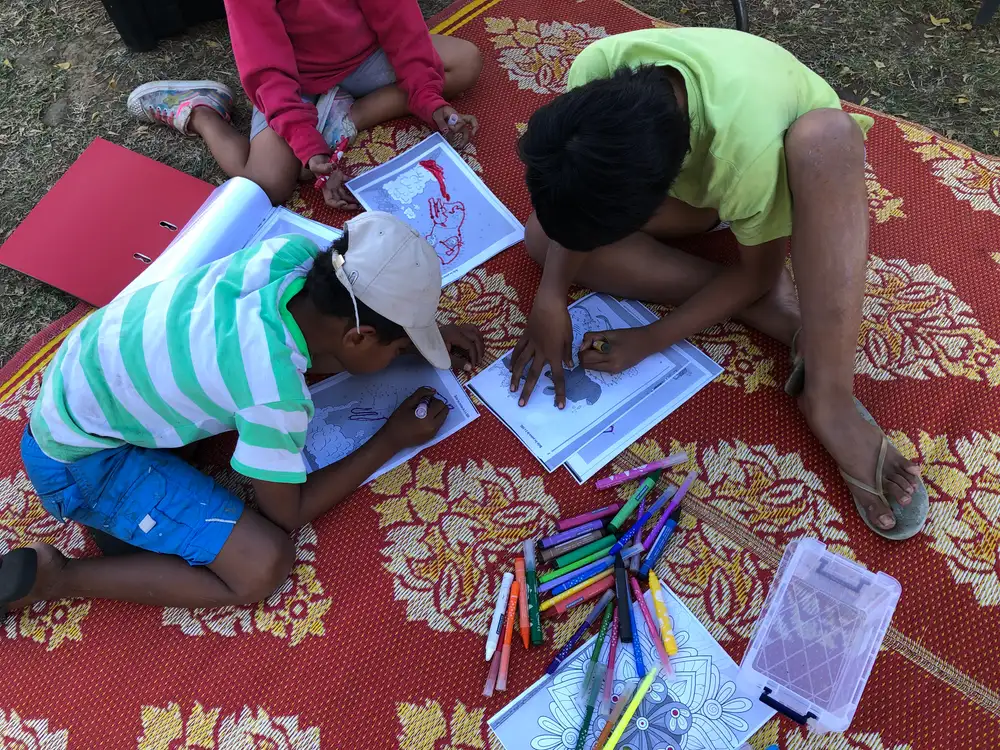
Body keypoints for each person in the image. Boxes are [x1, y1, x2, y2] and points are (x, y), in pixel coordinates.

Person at [512, 28, 927, 540]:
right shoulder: (594, 71)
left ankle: (830, 396)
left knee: (828, 135)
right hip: (695, 177)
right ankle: (762, 307)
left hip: (784, 167)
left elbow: (759, 271)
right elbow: (573, 198)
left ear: (653, 201)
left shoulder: (744, 153)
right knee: (541, 236)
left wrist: (652, 338)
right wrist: (551, 294)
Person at [0, 213, 485, 618]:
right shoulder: (272, 391)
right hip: (80, 465)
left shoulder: (290, 255)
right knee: (262, 564)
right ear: (359, 337)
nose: (404, 355)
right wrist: (391, 439)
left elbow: (332, 346)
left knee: (188, 487)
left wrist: (422, 337)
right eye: (400, 347)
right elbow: (287, 512)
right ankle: (58, 578)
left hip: (84, 378)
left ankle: (129, 527)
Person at [125, 0, 483, 208]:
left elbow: (399, 21)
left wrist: (428, 97)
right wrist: (306, 144)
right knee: (265, 186)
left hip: (365, 56)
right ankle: (202, 112)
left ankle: (346, 117)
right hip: (296, 81)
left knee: (464, 62)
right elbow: (268, 72)